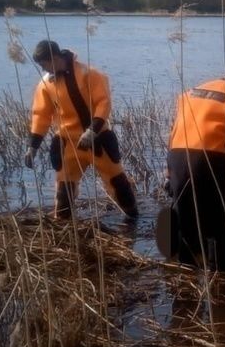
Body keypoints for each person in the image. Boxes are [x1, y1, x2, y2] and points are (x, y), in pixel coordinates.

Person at [24, 39, 139, 220]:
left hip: (98, 140)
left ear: (54, 58)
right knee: (64, 190)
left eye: (44, 64)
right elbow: (41, 115)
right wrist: (33, 146)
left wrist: (93, 130)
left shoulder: (89, 74)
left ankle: (133, 218)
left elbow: (104, 102)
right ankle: (64, 226)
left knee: (118, 183)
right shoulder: (45, 84)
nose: (43, 69)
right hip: (68, 144)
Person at [165, 63, 225, 269]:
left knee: (185, 221)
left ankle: (186, 279)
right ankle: (221, 281)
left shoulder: (189, 94)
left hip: (177, 159)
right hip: (211, 160)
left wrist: (169, 175)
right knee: (222, 224)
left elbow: (174, 134)